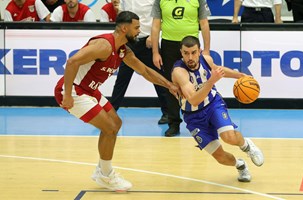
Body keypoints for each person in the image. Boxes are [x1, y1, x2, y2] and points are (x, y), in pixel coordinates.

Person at [54, 11, 180, 192]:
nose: (139, 31)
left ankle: (101, 170)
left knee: (116, 123)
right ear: (124, 28)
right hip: (74, 90)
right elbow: (72, 61)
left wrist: (169, 85)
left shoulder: (123, 50)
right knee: (109, 128)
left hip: (89, 90)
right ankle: (106, 175)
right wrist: (67, 94)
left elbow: (144, 71)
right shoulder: (104, 45)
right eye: (136, 27)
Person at [172, 36, 264, 182]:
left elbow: (219, 71)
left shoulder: (206, 60)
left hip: (213, 105)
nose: (190, 57)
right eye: (186, 53)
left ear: (199, 51)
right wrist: (211, 81)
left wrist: (239, 76)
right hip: (193, 117)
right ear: (181, 53)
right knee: (220, 157)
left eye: (193, 52)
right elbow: (194, 100)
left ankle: (247, 146)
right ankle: (240, 165)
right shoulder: (179, 72)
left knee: (229, 137)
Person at [151, 0, 211, 137]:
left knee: (200, 82)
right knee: (172, 86)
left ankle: (203, 122)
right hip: (169, 46)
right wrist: (155, 52)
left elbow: (204, 23)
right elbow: (155, 26)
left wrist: (206, 50)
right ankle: (173, 123)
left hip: (191, 46)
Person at [105, 0, 169, 124]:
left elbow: (161, 18)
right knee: (121, 80)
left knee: (158, 78)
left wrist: (153, 36)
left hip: (148, 42)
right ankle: (111, 113)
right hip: (129, 42)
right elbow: (123, 16)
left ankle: (167, 113)